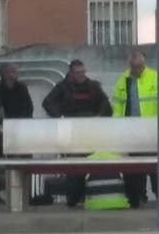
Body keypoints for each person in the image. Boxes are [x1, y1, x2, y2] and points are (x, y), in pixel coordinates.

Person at [42, 60, 112, 207]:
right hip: (70, 133)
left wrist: (99, 117)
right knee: (74, 168)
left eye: (83, 72)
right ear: (71, 73)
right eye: (78, 73)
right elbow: (47, 103)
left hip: (91, 133)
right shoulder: (62, 87)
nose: (82, 75)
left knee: (91, 166)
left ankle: (88, 197)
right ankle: (73, 199)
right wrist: (60, 117)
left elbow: (106, 105)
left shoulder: (93, 86)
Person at [111, 49, 159, 208]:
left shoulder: (155, 77)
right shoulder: (122, 81)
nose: (137, 70)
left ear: (144, 63)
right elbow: (117, 106)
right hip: (131, 131)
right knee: (133, 169)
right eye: (134, 67)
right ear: (130, 65)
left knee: (157, 169)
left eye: (139, 66)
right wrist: (118, 127)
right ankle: (136, 198)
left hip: (153, 130)